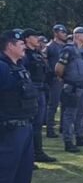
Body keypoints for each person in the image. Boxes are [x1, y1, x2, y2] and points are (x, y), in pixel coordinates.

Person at [0, 30, 44, 183]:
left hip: (25, 124)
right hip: (9, 126)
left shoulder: (19, 66)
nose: (24, 46)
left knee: (25, 165)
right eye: (20, 44)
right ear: (9, 46)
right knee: (6, 167)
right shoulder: (2, 68)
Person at [55, 27, 83, 152]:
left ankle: (80, 137)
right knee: (69, 115)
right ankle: (68, 141)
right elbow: (58, 69)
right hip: (72, 87)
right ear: (78, 36)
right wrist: (66, 80)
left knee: (81, 114)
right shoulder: (69, 50)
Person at [21, 29, 56, 163]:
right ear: (27, 39)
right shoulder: (25, 55)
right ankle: (29, 155)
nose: (38, 39)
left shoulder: (37, 54)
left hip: (41, 90)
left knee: (38, 124)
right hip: (32, 91)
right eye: (35, 36)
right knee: (31, 124)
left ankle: (38, 152)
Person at [44, 24, 68, 138]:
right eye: (62, 32)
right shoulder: (50, 46)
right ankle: (50, 129)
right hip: (55, 79)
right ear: (55, 33)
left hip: (66, 78)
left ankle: (63, 127)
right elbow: (44, 62)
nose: (64, 34)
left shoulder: (66, 46)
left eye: (64, 32)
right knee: (53, 105)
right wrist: (51, 74)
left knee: (65, 104)